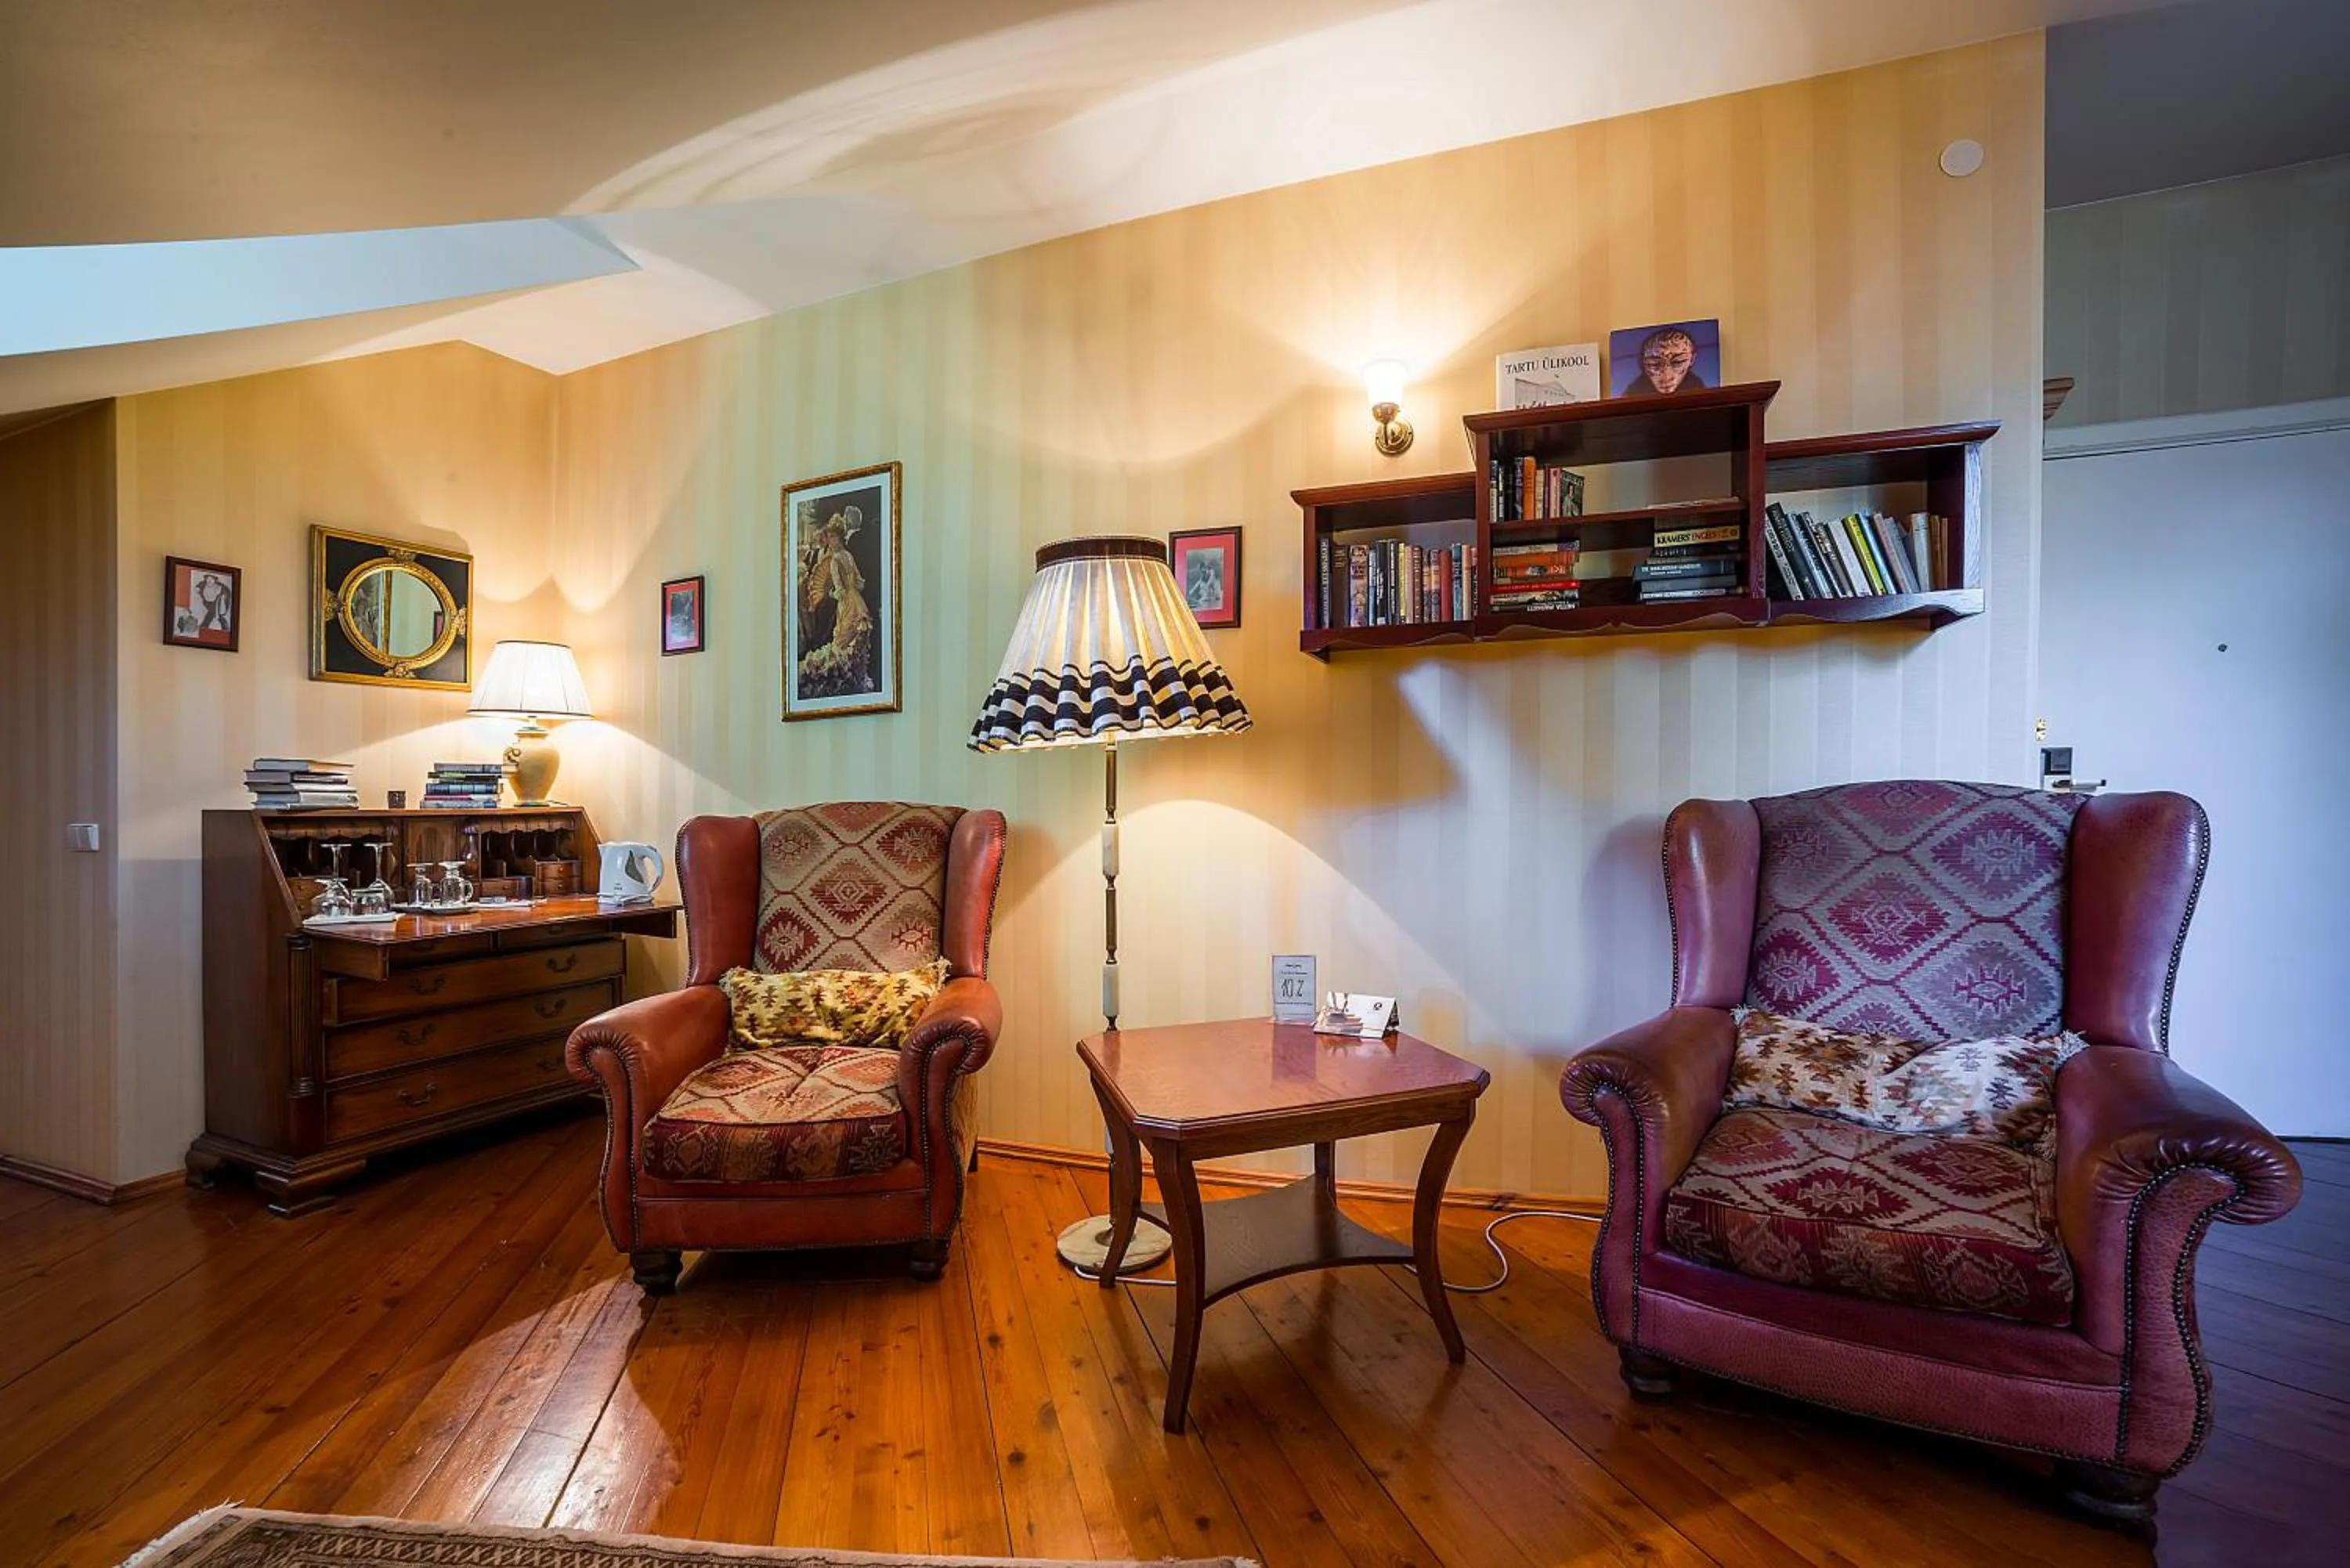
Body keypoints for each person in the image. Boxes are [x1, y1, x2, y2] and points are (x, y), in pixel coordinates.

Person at [797, 504, 876, 695]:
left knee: (843, 640)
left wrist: (831, 593)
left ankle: (845, 676)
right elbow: (860, 582)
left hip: (846, 603)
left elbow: (840, 590)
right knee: (849, 640)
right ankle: (850, 676)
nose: (830, 540)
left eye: (833, 537)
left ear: (839, 538)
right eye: (830, 536)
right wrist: (849, 588)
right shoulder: (848, 556)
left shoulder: (836, 560)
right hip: (857, 601)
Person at [1625, 326, 1709, 396]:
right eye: (1654, 364)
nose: (1667, 376)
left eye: (1678, 362)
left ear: (1692, 360)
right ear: (1642, 363)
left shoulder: (1697, 388)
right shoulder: (1633, 393)